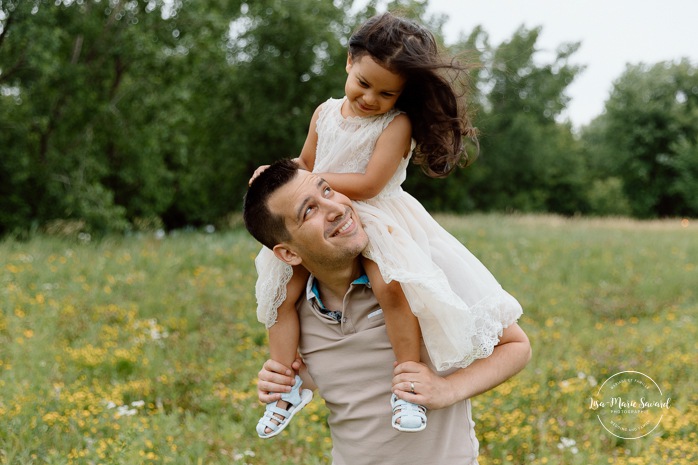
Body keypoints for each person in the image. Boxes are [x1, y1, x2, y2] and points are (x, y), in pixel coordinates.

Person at [250, 11, 524, 438]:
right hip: (325, 215)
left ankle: (407, 381)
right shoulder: (324, 112)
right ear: (348, 62)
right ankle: (287, 384)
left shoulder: (396, 124)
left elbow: (369, 182)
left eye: (386, 92)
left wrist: (313, 184)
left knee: (390, 287)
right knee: (280, 294)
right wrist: (281, 175)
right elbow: (304, 162)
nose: (370, 99)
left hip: (375, 216)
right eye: (363, 84)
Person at [243, 159, 531, 464]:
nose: (337, 208)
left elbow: (516, 346)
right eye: (309, 210)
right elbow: (346, 380)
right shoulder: (296, 312)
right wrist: (284, 379)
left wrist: (448, 389)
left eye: (327, 190)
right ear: (287, 253)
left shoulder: (418, 277)